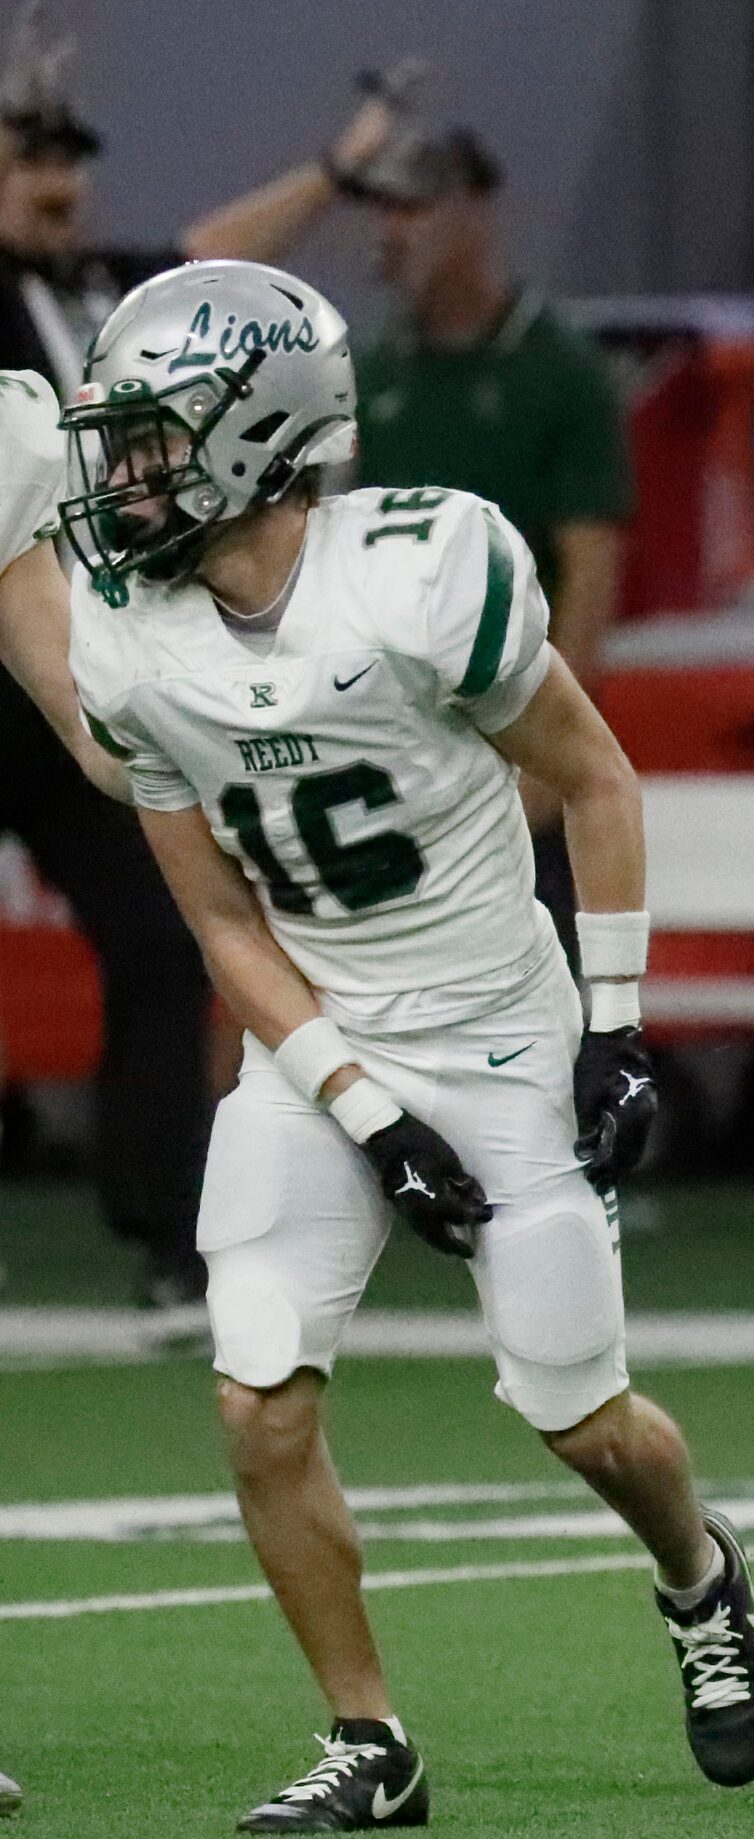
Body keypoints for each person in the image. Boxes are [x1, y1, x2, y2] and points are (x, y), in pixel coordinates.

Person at [60, 260, 754, 1831]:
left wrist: (620, 1025)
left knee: (582, 1417)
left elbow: (597, 780)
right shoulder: (133, 645)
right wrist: (363, 1107)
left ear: (261, 432)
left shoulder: (419, 571)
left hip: (504, 1032)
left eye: (154, 439)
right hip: (318, 1042)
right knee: (259, 1397)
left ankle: (699, 1571)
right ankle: (369, 1737)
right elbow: (225, 926)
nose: (123, 475)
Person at [0, 52, 401, 1315]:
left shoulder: (108, 299)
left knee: (168, 924)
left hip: (70, 648)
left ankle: (168, 1224)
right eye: (30, 159)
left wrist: (337, 172)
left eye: (68, 161)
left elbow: (214, 252)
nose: (58, 183)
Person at [355, 127, 632, 961]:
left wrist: (558, 750)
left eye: (416, 208)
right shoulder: (371, 378)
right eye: (385, 210)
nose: (394, 232)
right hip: (393, 730)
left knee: (527, 974)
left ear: (476, 215)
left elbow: (589, 574)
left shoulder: (560, 374)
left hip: (508, 720)